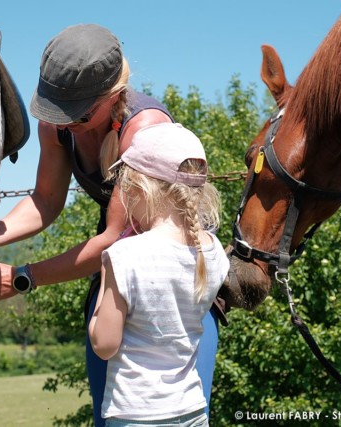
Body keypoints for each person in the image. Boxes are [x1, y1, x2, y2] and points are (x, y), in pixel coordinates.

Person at [0, 24, 225, 426]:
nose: (65, 124)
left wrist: (21, 277)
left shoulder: (144, 131)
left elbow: (113, 239)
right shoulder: (59, 126)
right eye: (56, 112)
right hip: (122, 273)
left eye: (78, 114)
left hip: (170, 285)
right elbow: (46, 200)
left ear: (115, 96)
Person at [88, 123, 229, 427]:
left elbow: (104, 343)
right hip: (192, 410)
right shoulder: (214, 251)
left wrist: (104, 275)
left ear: (141, 189)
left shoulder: (124, 256)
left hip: (135, 415)